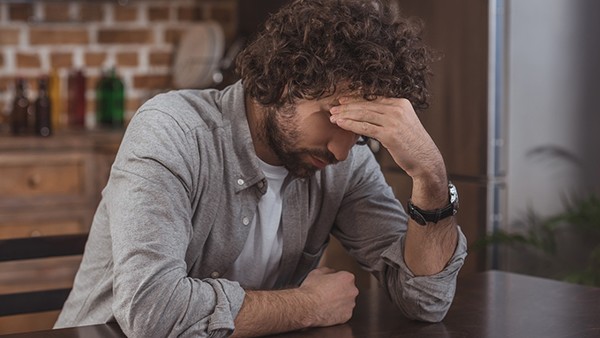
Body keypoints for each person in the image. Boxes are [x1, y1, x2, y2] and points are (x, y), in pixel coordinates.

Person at [55, 0, 467, 337]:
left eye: (361, 131)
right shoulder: (173, 130)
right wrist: (307, 306)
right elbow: (152, 313)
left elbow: (426, 301)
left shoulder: (346, 163)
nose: (342, 151)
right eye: (334, 118)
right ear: (286, 83)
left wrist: (431, 176)